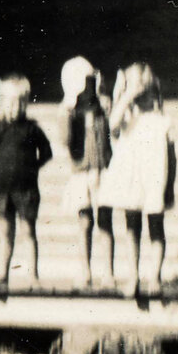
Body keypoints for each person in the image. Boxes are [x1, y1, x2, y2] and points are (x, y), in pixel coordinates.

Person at [97, 62, 176, 301]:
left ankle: (154, 277)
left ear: (154, 91)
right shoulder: (128, 120)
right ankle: (133, 276)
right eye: (137, 89)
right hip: (132, 182)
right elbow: (112, 123)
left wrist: (170, 186)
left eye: (145, 89)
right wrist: (127, 94)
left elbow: (172, 158)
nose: (141, 95)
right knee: (132, 227)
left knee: (155, 226)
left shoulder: (163, 121)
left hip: (154, 182)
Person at [0, 74, 52, 300]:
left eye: (20, 102)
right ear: (2, 103)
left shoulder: (32, 129)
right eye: (10, 102)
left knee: (28, 232)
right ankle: (3, 276)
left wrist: (33, 168)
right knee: (6, 234)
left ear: (26, 103)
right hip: (4, 192)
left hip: (27, 191)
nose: (15, 107)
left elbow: (47, 153)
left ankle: (33, 277)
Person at [59, 56, 111, 288]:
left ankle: (108, 271)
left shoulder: (102, 110)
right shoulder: (70, 113)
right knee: (84, 223)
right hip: (81, 174)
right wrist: (68, 113)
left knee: (105, 222)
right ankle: (85, 270)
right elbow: (64, 140)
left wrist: (103, 97)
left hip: (102, 172)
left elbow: (113, 135)